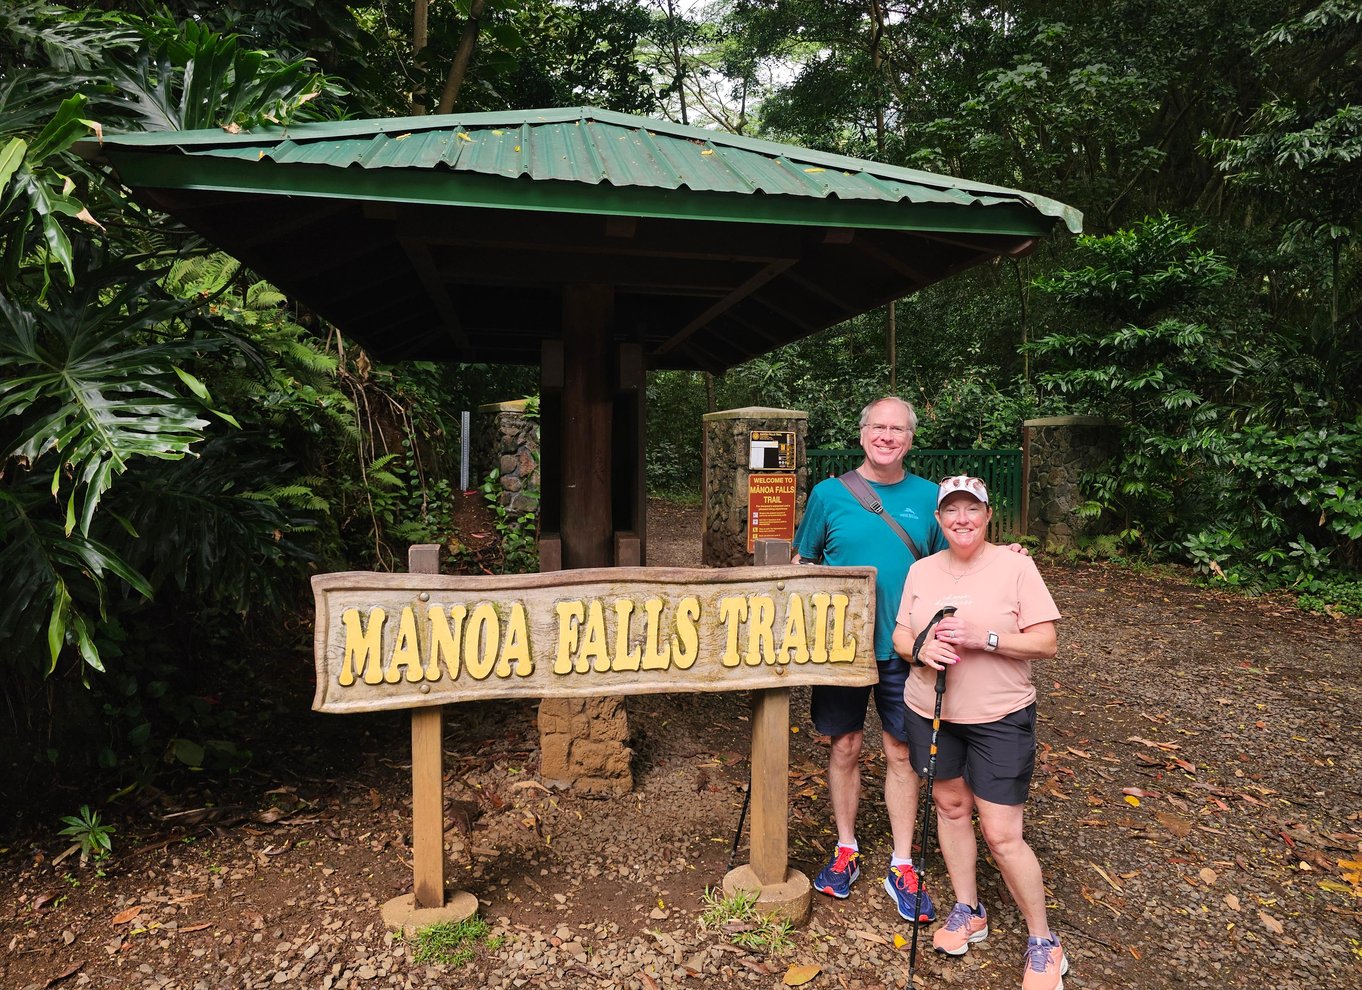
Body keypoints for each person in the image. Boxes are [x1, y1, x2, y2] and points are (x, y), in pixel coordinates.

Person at [892, 476, 1067, 990]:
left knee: (1002, 834)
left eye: (972, 509)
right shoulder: (922, 569)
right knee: (950, 808)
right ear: (939, 519)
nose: (962, 519)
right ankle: (968, 909)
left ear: (989, 515)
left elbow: (1046, 643)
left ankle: (1044, 942)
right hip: (932, 710)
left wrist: (984, 637)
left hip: (999, 716)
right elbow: (902, 632)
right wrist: (920, 650)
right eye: (951, 510)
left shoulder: (1016, 566)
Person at [791, 397, 944, 923]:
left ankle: (902, 863)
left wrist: (1007, 556)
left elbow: (955, 562)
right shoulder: (829, 495)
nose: (886, 436)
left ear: (910, 438)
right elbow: (804, 561)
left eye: (897, 429)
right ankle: (846, 847)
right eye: (878, 427)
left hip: (907, 646)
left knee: (901, 751)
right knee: (845, 745)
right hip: (843, 647)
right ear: (862, 434)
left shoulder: (930, 497)